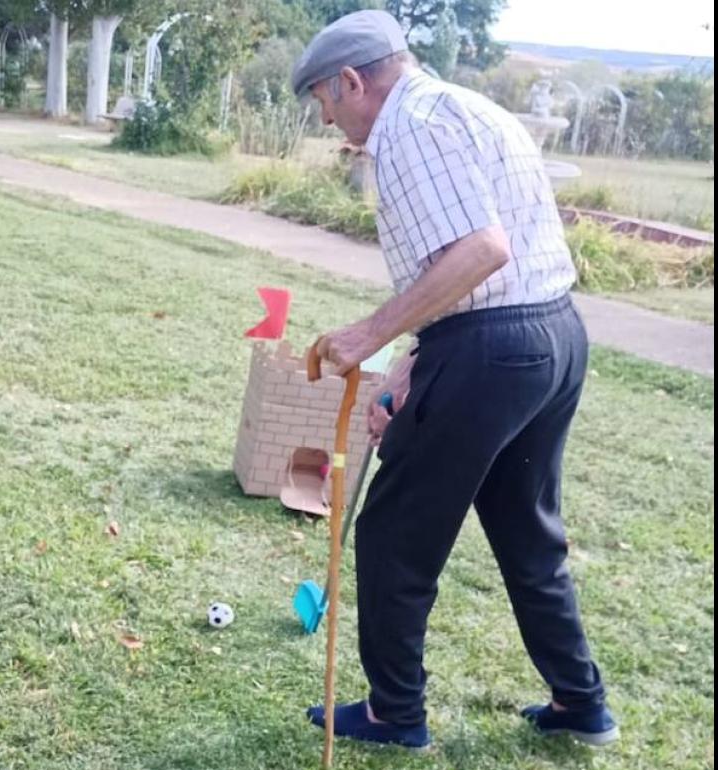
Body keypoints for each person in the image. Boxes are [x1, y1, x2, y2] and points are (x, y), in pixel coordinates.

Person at [288, 9, 618, 750]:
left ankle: (394, 713)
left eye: (325, 100)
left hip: (492, 352)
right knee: (528, 533)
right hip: (550, 337)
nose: (327, 116)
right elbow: (482, 274)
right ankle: (581, 704)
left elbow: (480, 249)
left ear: (352, 80)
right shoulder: (466, 109)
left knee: (394, 532)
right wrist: (416, 360)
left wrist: (371, 335)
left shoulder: (408, 129)